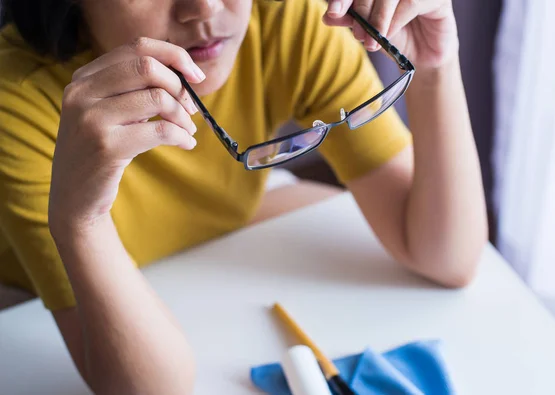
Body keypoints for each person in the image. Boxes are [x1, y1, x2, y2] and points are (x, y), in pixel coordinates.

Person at [0, 0, 487, 393]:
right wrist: (80, 219)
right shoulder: (18, 101)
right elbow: (151, 388)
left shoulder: (289, 18)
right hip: (33, 294)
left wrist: (436, 67)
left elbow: (448, 258)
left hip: (221, 232)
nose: (204, 8)